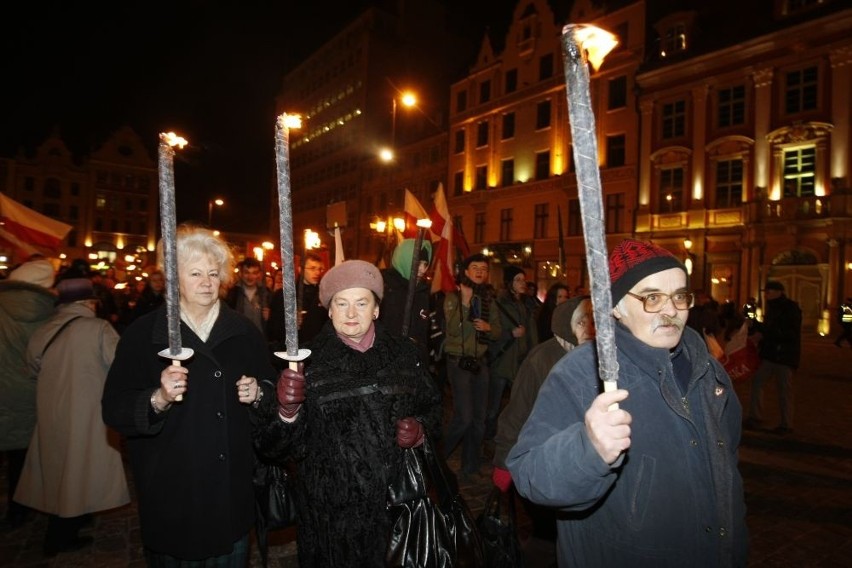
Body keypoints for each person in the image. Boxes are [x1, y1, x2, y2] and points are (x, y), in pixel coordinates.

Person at [507, 239, 748, 567]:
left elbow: (727, 466)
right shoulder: (582, 372)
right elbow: (530, 474)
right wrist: (587, 449)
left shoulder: (708, 369)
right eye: (652, 297)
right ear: (616, 307)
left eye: (680, 296)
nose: (670, 310)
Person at [102, 225, 278, 565]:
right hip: (171, 491)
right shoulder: (144, 335)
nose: (207, 282)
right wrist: (158, 399)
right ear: (173, 278)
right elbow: (115, 409)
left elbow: (270, 397)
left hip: (229, 491)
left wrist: (259, 393)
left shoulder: (244, 332)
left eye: (214, 273)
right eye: (195, 273)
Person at [255, 260, 442, 566]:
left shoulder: (405, 355)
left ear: (376, 309)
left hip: (395, 510)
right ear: (329, 310)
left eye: (361, 303)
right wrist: (287, 411)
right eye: (341, 304)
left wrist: (420, 431)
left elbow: (432, 408)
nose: (351, 314)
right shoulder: (305, 362)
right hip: (330, 520)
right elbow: (272, 447)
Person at [15, 278, 129, 556]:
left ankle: (76, 520)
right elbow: (122, 365)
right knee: (80, 471)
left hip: (52, 410)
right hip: (88, 413)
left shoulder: (45, 329)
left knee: (59, 468)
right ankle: (60, 536)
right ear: (89, 302)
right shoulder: (98, 328)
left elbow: (31, 368)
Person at [492, 295, 595, 561]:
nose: (589, 329)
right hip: (545, 458)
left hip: (585, 458)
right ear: (565, 325)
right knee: (547, 533)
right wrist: (503, 461)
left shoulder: (600, 357)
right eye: (581, 322)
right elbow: (518, 410)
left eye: (593, 321)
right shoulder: (542, 358)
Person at [0, 259, 56, 529]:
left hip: (3, 388)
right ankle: (26, 507)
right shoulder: (50, 313)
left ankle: (16, 510)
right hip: (33, 391)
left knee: (13, 453)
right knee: (27, 455)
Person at [442, 253, 501, 482]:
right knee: (464, 418)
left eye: (484, 269)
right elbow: (453, 331)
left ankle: (470, 466)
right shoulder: (453, 296)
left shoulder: (488, 299)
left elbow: (497, 331)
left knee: (479, 419)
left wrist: (488, 327)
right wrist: (465, 304)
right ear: (465, 271)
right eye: (474, 267)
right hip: (458, 361)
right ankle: (438, 457)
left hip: (480, 363)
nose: (479, 272)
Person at [485, 265, 538, 442]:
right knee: (493, 407)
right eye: (518, 280)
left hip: (519, 362)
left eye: (523, 279)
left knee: (517, 405)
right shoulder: (499, 304)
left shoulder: (524, 305)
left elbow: (531, 334)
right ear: (509, 283)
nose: (523, 283)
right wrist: (510, 334)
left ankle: (507, 439)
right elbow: (492, 333)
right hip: (502, 362)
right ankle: (487, 439)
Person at [745, 280, 802, 435]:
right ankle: (755, 416)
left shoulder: (791, 308)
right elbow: (769, 329)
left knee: (784, 390)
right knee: (757, 382)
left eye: (769, 291)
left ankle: (786, 424)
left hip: (784, 355)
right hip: (770, 354)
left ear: (779, 292)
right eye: (766, 292)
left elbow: (789, 333)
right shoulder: (771, 308)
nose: (766, 294)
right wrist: (756, 326)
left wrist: (764, 333)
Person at [379, 238, 433, 366]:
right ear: (405, 260)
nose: (422, 269)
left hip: (414, 365)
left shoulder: (421, 292)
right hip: (387, 364)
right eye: (418, 263)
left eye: (425, 264)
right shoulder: (383, 288)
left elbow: (422, 333)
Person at [226, 257, 272, 333]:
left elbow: (274, 323)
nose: (250, 277)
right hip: (239, 339)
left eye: (254, 273)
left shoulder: (267, 293)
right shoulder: (233, 293)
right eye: (246, 272)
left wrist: (270, 316)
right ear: (241, 273)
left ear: (259, 274)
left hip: (260, 340)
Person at [297, 251, 328, 345]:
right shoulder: (287, 294)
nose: (317, 272)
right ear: (300, 269)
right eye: (312, 268)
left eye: (319, 269)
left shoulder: (324, 293)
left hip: (318, 347)